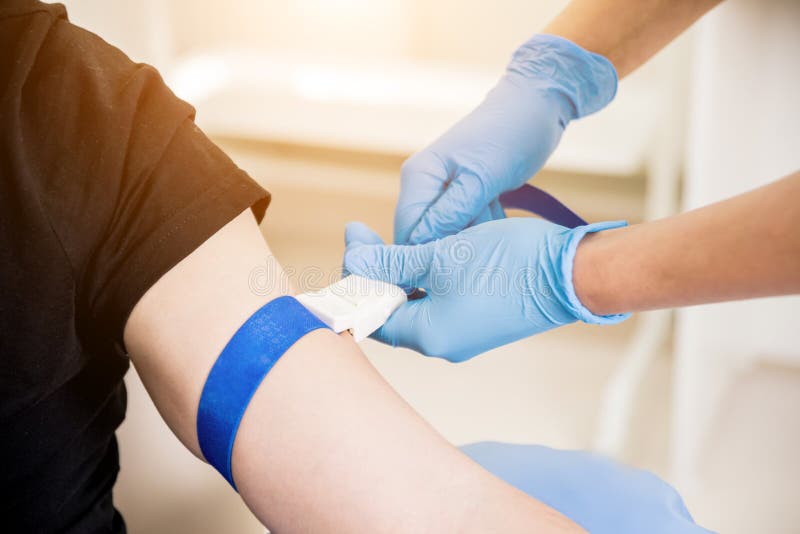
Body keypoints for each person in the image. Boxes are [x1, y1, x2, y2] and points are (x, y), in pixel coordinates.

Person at [0, 1, 715, 532]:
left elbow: (423, 508)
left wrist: (584, 262)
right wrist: (578, 268)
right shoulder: (80, 112)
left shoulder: (71, 109)